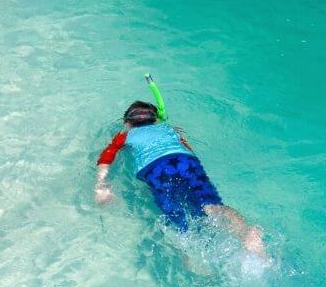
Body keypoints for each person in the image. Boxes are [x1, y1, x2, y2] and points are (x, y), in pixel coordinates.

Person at [94, 101, 266, 256]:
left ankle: (191, 257)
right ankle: (245, 231)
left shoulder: (124, 136)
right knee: (210, 206)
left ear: (127, 123)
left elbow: (106, 157)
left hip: (155, 168)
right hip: (185, 161)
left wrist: (101, 185)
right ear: (155, 120)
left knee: (175, 214)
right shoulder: (169, 129)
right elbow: (186, 146)